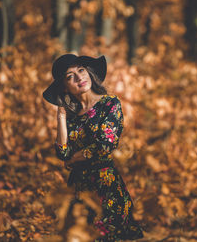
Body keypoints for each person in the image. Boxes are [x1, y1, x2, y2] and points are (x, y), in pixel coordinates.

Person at [42, 54, 144, 242]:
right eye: (70, 76)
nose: (79, 77)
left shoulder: (110, 104)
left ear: (89, 72)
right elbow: (63, 153)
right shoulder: (71, 115)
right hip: (78, 190)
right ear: (65, 86)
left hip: (106, 187)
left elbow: (105, 145)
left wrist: (73, 159)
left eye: (81, 70)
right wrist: (61, 117)